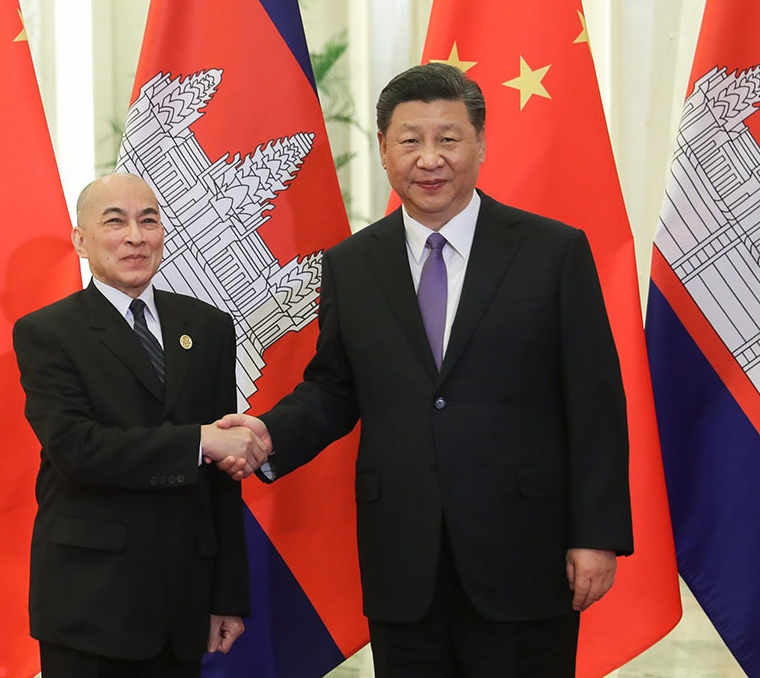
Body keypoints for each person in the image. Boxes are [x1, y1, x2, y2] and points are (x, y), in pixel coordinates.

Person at [218, 63, 633, 677]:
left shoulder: (552, 251)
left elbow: (595, 402)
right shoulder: (352, 265)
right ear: (384, 149)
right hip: (403, 561)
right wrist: (267, 433)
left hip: (524, 555)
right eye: (410, 140)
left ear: (480, 144)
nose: (429, 158)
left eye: (448, 138)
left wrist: (596, 534)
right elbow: (334, 387)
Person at [12, 172, 268, 677]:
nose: (135, 236)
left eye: (148, 221)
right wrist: (198, 440)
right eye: (116, 222)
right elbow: (79, 452)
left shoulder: (208, 327)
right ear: (81, 241)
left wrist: (227, 594)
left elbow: (223, 478)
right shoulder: (48, 333)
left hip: (184, 602)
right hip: (91, 605)